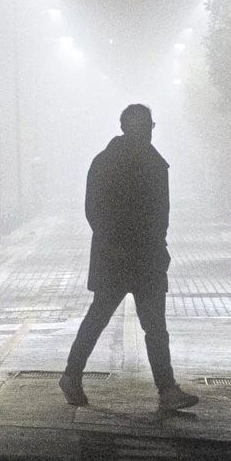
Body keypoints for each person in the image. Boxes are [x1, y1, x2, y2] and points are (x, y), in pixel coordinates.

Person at [60, 104, 199, 413]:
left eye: (150, 126)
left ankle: (165, 388)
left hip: (137, 255)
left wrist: (154, 245)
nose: (148, 132)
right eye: (144, 126)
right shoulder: (124, 163)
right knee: (107, 319)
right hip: (125, 256)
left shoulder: (125, 162)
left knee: (144, 325)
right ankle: (74, 375)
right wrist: (123, 243)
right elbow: (97, 211)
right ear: (127, 128)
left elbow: (156, 214)